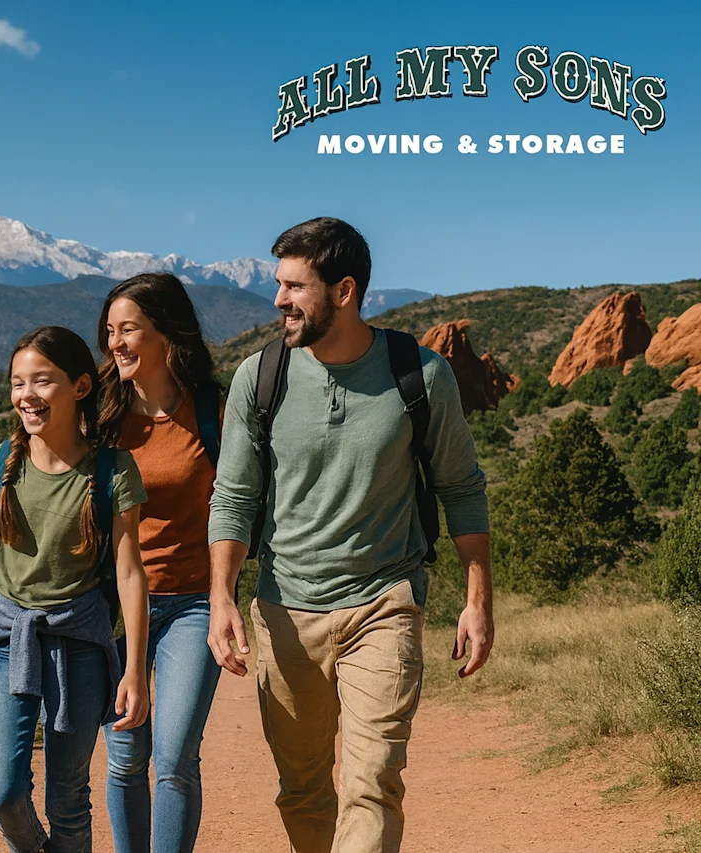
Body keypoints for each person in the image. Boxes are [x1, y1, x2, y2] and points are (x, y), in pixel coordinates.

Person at [206, 218, 493, 853]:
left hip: (384, 604)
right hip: (285, 609)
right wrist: (222, 597)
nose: (278, 300)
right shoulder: (260, 378)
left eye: (293, 286)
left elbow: (461, 488)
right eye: (277, 284)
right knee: (303, 787)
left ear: (344, 290)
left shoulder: (420, 374)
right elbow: (234, 496)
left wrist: (477, 601)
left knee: (372, 783)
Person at [0, 325, 151, 853]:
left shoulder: (114, 472)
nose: (27, 395)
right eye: (18, 383)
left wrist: (135, 670)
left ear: (81, 387)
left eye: (42, 382)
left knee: (68, 797)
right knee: (2, 791)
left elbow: (129, 572)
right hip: (6, 638)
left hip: (81, 642)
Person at [96, 272, 224, 853]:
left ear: (166, 332)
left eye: (129, 330)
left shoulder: (213, 412)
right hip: (114, 609)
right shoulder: (97, 416)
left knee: (173, 756)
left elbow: (236, 505)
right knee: (125, 756)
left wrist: (230, 596)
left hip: (193, 603)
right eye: (110, 332)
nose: (115, 343)